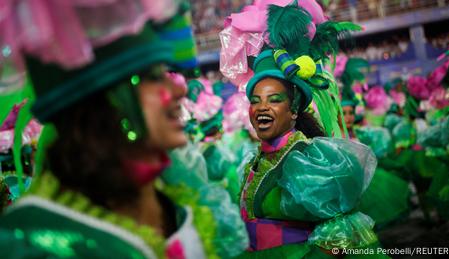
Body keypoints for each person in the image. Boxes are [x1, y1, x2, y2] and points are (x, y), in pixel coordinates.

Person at [0, 1, 247, 258]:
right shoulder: (32, 239)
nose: (179, 89)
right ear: (107, 103)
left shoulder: (176, 199)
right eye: (153, 77)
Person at [220, 1, 387, 258]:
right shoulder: (252, 161)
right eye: (255, 100)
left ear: (294, 110)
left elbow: (337, 239)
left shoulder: (310, 159)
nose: (262, 107)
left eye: (274, 99)